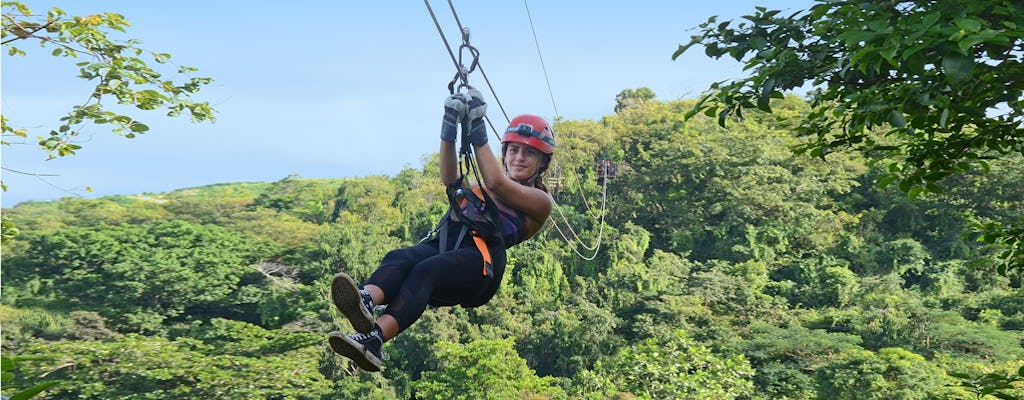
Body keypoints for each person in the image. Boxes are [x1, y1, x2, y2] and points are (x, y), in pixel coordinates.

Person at [327, 88, 555, 371]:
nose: (519, 158)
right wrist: (449, 126)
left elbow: (497, 183)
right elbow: (450, 179)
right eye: (514, 150)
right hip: (450, 246)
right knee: (402, 257)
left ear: (542, 163)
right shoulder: (480, 189)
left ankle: (376, 338)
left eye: (529, 153)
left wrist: (477, 125)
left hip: (481, 265)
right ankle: (367, 300)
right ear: (505, 153)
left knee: (427, 270)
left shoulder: (540, 202)